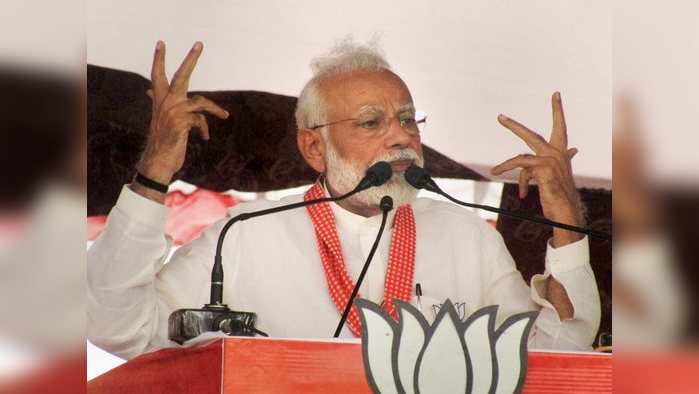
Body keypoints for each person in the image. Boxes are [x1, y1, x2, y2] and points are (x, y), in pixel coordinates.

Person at [87, 40, 600, 359]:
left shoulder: (466, 236)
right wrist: (155, 174)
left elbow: (559, 352)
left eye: (407, 120)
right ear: (314, 146)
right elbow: (118, 327)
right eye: (371, 123)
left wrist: (565, 220)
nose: (400, 138)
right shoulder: (246, 234)